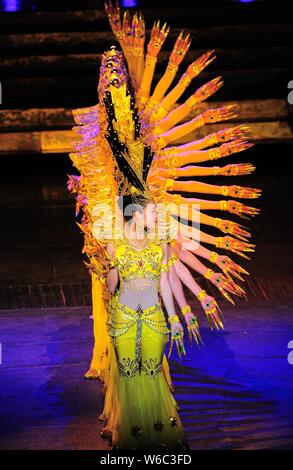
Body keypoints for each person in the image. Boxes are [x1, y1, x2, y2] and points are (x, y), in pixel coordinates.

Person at [67, 1, 261, 451]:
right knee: (139, 354)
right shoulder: (148, 232)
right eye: (107, 78)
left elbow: (118, 269)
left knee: (138, 355)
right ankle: (144, 421)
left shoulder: (135, 227)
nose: (113, 85)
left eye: (117, 78)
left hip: (127, 260)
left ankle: (139, 423)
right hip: (127, 251)